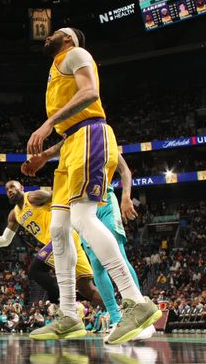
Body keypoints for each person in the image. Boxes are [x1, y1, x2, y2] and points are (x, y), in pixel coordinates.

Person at [26, 27, 160, 344]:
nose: (47, 36)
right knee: (58, 229)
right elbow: (69, 128)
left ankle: (136, 302)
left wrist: (46, 125)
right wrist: (45, 155)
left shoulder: (76, 54)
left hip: (91, 136)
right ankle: (70, 315)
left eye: (55, 32)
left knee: (83, 218)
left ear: (69, 38)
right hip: (71, 144)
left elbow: (90, 95)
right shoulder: (56, 67)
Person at [22, 146, 155, 341]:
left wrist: (126, 196)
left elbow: (125, 170)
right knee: (97, 266)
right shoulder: (72, 145)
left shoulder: (98, 135)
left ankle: (142, 316)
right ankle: (117, 319)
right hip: (82, 207)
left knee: (118, 255)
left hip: (105, 202)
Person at [0, 182, 105, 331]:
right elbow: (5, 240)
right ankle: (117, 313)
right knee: (87, 288)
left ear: (22, 188)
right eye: (7, 190)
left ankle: (65, 307)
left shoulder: (33, 197)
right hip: (63, 241)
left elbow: (59, 197)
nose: (10, 191)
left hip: (62, 236)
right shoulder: (14, 215)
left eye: (13, 187)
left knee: (35, 270)